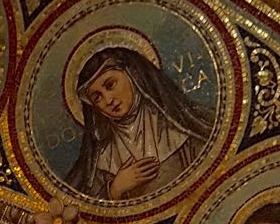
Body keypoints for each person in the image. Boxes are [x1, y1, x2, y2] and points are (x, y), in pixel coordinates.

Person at [65, 46, 214, 201]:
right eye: (97, 98)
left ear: (132, 75)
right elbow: (86, 208)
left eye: (110, 85)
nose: (108, 100)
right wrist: (115, 189)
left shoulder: (178, 128)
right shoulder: (100, 159)